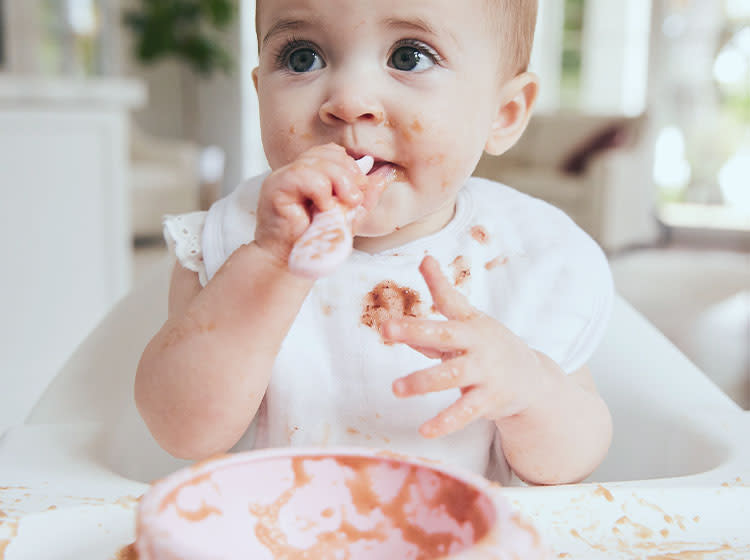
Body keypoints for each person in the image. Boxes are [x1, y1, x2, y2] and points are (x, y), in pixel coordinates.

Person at [135, 0, 614, 486]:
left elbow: (572, 461)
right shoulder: (233, 238)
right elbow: (181, 431)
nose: (348, 100)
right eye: (302, 56)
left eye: (409, 56)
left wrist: (526, 391)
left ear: (504, 113)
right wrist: (270, 261)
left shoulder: (523, 254)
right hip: (281, 531)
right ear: (260, 91)